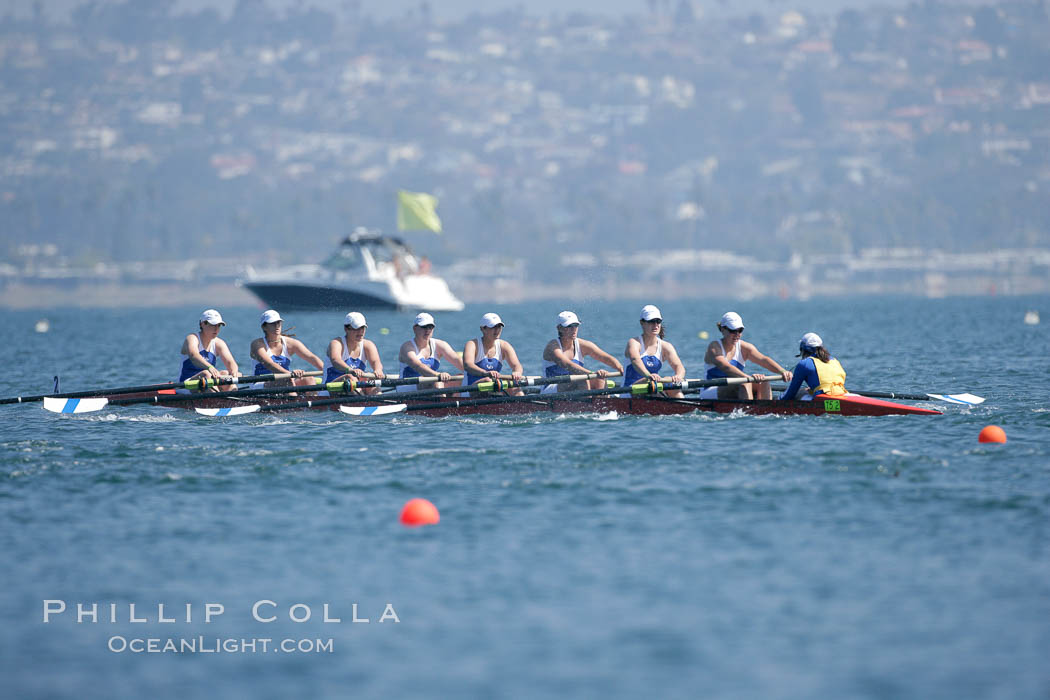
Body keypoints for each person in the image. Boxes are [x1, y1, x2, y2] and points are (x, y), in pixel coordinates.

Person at [700, 311, 792, 400]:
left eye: (740, 330)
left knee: (764, 381)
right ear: (722, 330)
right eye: (733, 331)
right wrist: (747, 378)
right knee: (745, 382)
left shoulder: (744, 347)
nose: (737, 334)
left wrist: (782, 371)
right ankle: (749, 411)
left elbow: (764, 360)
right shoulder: (714, 347)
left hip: (737, 384)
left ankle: (765, 412)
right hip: (710, 390)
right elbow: (726, 367)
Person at [541, 311, 623, 392]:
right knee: (581, 379)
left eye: (576, 325)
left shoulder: (582, 344)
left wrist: (621, 368)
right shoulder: (552, 347)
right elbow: (567, 365)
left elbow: (606, 358)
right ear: (559, 328)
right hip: (552, 388)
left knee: (600, 380)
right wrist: (592, 374)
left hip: (572, 387)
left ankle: (601, 404)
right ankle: (588, 404)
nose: (573, 329)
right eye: (569, 326)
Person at [248, 309, 323, 389]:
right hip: (260, 383)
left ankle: (311, 399)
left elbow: (312, 358)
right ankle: (294, 399)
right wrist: (291, 374)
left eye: (278, 322)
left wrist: (328, 372)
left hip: (286, 379)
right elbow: (269, 364)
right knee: (287, 381)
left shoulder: (291, 343)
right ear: (264, 327)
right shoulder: (257, 344)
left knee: (309, 379)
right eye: (272, 323)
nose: (276, 326)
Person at [623, 305, 686, 398]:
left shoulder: (666, 346)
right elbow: (636, 361)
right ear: (642, 323)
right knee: (654, 382)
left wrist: (678, 376)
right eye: (651, 321)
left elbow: (679, 366)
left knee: (673, 386)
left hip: (652, 387)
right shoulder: (634, 343)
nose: (656, 325)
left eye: (658, 321)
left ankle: (684, 409)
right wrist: (648, 375)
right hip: (629, 391)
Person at [397, 312, 464, 392]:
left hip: (431, 383)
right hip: (407, 387)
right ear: (415, 328)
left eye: (430, 327)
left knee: (463, 379)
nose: (428, 330)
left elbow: (458, 361)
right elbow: (419, 366)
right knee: (435, 381)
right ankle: (443, 402)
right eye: (424, 327)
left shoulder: (440, 345)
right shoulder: (407, 347)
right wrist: (438, 375)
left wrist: (476, 374)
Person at [322, 312, 386, 395]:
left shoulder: (368, 345)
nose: (361, 332)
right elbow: (335, 360)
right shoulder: (336, 343)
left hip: (353, 390)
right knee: (350, 378)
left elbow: (375, 362)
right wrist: (351, 370)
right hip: (329, 390)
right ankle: (364, 401)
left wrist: (378, 370)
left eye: (363, 328)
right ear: (346, 329)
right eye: (356, 328)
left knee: (370, 379)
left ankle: (378, 400)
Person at [462, 312, 525, 396]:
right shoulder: (472, 344)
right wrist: (485, 373)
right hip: (469, 391)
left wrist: (517, 372)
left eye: (499, 327)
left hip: (493, 387)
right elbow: (468, 365)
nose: (497, 330)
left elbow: (516, 365)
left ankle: (521, 406)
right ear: (483, 329)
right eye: (493, 327)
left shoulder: (504, 346)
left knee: (515, 387)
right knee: (488, 381)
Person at [178, 309, 240, 392]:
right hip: (186, 384)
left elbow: (230, 362)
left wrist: (234, 372)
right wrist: (209, 367)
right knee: (206, 374)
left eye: (218, 325)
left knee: (225, 373)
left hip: (208, 382)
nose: (216, 329)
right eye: (213, 325)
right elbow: (194, 356)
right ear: (202, 324)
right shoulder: (192, 338)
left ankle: (235, 401)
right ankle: (220, 399)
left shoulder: (219, 343)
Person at [779, 333, 847, 400]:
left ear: (802, 349)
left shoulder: (804, 364)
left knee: (799, 392)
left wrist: (777, 401)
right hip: (842, 394)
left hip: (824, 400)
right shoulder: (835, 361)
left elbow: (789, 394)